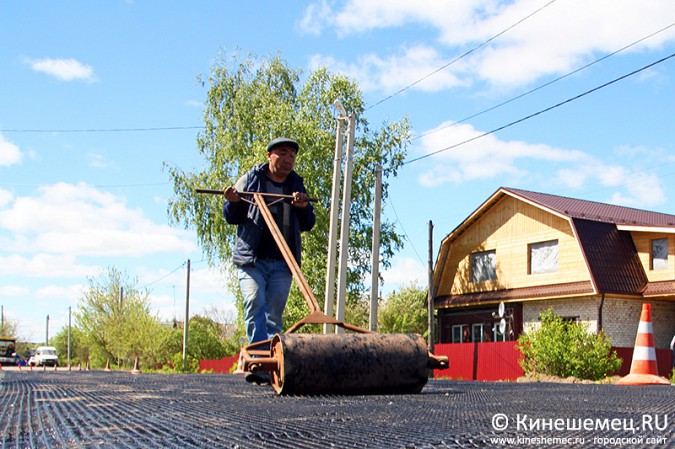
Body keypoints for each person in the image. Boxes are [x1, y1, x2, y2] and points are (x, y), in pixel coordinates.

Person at [223, 137, 315, 382]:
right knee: (254, 302)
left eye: (292, 156)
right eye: (282, 154)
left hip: (283, 260)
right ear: (269, 156)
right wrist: (233, 201)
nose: (288, 160)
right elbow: (231, 216)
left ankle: (271, 365)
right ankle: (259, 362)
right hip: (252, 259)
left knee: (274, 314)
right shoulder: (251, 180)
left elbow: (308, 223)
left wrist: (302, 206)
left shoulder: (296, 184)